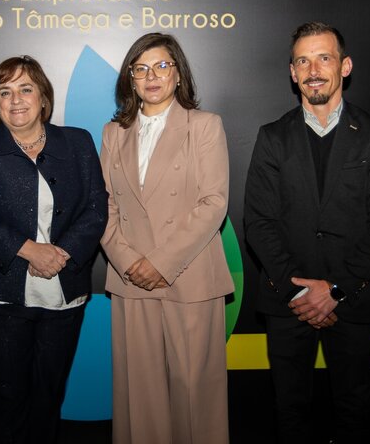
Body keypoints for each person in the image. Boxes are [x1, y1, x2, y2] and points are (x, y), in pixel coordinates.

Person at [244, 21, 370, 443]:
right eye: (303, 61)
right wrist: (300, 292)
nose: (313, 70)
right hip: (287, 302)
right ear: (292, 72)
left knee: (355, 413)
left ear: (344, 66)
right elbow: (259, 222)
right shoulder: (272, 137)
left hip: (353, 298)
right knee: (289, 413)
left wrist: (335, 289)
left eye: (324, 58)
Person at [0, 55, 108, 444]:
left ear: (43, 97)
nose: (16, 100)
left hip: (63, 293)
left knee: (48, 397)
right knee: (5, 400)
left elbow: (96, 208)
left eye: (25, 89)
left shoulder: (78, 142)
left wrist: (61, 253)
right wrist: (29, 250)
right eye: (5, 92)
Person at [100, 32, 233, 444]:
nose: (152, 76)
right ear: (130, 79)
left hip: (190, 275)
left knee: (196, 395)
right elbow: (104, 207)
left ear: (178, 74)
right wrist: (129, 262)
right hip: (131, 279)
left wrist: (160, 262)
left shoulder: (204, 126)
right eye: (141, 69)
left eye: (161, 66)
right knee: (140, 396)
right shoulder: (113, 133)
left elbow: (214, 203)